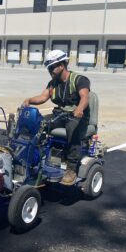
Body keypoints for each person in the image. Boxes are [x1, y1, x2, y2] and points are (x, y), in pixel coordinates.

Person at [23, 49, 91, 185]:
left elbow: (85, 97)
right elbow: (43, 97)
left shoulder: (79, 80)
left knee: (73, 128)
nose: (50, 70)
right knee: (39, 123)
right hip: (60, 115)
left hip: (77, 116)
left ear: (62, 65)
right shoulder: (53, 83)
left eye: (53, 66)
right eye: (49, 67)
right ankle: (36, 157)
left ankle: (71, 168)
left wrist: (79, 109)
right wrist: (29, 100)